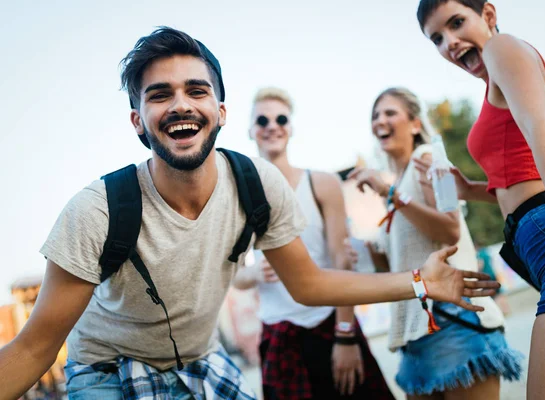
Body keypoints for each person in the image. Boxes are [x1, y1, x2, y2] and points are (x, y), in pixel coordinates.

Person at [0, 26, 500, 400]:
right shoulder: (96, 211)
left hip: (200, 364)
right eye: (159, 95)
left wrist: (420, 281)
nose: (180, 105)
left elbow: (311, 283)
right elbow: (32, 349)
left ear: (220, 111)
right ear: (138, 121)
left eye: (196, 91)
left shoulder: (257, 185)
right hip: (109, 370)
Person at [416, 1, 545, 398]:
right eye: (437, 38)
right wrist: (469, 190)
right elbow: (523, 178)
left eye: (456, 23)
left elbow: (542, 127)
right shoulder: (496, 82)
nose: (449, 42)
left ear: (489, 14)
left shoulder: (503, 49)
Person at [348, 87, 522, 399]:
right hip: (416, 330)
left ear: (415, 124)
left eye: (389, 113)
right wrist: (367, 252)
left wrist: (389, 194)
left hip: (453, 320)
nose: (379, 121)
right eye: (375, 116)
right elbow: (401, 266)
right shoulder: (398, 181)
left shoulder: (425, 160)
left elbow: (450, 230)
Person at [233, 87, 395, 400]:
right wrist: (252, 275)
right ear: (250, 131)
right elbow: (234, 276)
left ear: (290, 127)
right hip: (280, 334)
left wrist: (345, 335)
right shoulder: (240, 196)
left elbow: (341, 259)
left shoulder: (322, 183)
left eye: (280, 118)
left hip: (330, 322)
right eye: (262, 120)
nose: (272, 125)